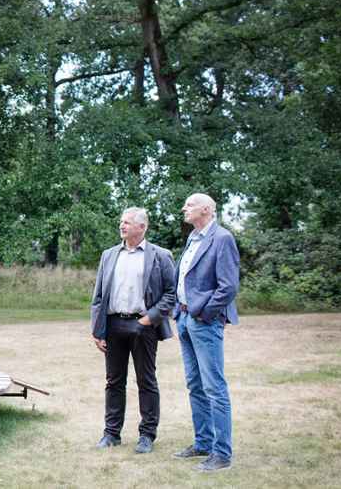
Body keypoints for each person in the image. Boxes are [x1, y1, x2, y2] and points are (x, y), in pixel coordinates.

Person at [90, 207, 177, 454]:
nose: (122, 226)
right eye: (121, 222)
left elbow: (171, 293)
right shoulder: (108, 255)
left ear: (142, 227)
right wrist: (97, 330)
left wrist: (150, 319)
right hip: (113, 325)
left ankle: (147, 435)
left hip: (144, 326)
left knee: (146, 381)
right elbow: (98, 296)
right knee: (113, 381)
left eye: (127, 222)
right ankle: (111, 434)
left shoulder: (160, 255)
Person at [172, 193, 240, 472]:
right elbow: (184, 277)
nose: (184, 208)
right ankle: (202, 443)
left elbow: (228, 287)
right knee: (195, 385)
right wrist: (181, 310)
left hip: (203, 320)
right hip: (185, 318)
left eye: (188, 204)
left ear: (206, 209)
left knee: (214, 388)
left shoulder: (222, 238)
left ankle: (221, 454)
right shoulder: (193, 237)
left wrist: (204, 313)